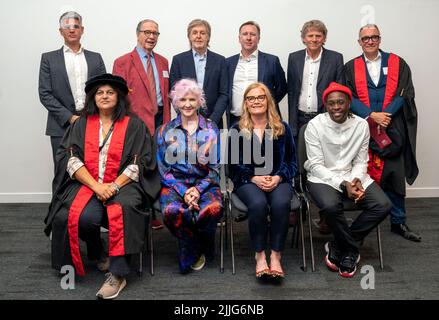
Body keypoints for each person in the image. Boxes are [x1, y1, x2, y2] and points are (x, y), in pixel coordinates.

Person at [44, 73, 160, 299]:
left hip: (124, 183)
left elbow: (141, 160)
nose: (105, 96)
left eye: (110, 92)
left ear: (119, 97)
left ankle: (118, 273)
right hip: (88, 182)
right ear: (92, 98)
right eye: (100, 92)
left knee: (124, 208)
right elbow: (70, 158)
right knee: (83, 217)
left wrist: (114, 186)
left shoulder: (134, 125)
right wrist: (97, 186)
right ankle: (98, 253)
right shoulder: (81, 124)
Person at [304, 82, 392, 278]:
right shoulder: (315, 125)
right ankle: (351, 250)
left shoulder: (361, 125)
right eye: (331, 103)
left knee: (383, 205)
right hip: (322, 177)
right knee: (330, 206)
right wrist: (343, 185)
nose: (336, 107)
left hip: (353, 176)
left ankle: (337, 244)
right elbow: (316, 165)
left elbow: (362, 161)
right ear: (326, 105)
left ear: (349, 103)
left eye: (340, 102)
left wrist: (356, 180)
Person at [344, 24, 420, 242]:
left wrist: (385, 115)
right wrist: (371, 115)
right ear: (359, 41)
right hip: (363, 128)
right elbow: (348, 96)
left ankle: (399, 221)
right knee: (361, 172)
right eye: (365, 38)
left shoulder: (397, 63)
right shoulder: (351, 67)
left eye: (374, 37)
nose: (370, 41)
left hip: (393, 127)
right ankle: (368, 218)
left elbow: (404, 93)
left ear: (380, 39)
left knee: (395, 175)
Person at [228, 82, 297, 280]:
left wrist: (277, 177)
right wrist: (253, 177)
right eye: (251, 98)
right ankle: (259, 256)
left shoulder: (282, 128)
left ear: (268, 101)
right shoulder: (236, 129)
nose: (256, 101)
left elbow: (292, 162)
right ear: (246, 104)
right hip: (247, 181)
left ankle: (276, 255)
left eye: (261, 97)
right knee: (258, 204)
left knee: (281, 203)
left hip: (278, 179)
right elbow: (232, 166)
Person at [156, 79, 223, 274]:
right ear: (176, 102)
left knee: (212, 208)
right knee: (171, 210)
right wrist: (185, 192)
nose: (187, 104)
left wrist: (198, 189)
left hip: (206, 184)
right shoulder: (165, 130)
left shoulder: (211, 129)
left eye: (192, 99)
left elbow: (215, 167)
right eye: (183, 99)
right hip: (175, 185)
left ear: (199, 102)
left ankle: (201, 244)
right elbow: (164, 170)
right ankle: (192, 247)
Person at [287, 19, 344, 233]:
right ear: (303, 38)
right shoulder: (293, 58)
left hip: (324, 119)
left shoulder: (335, 58)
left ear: (324, 38)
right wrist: (291, 122)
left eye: (318, 36)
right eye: (310, 35)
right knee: (297, 164)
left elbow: (338, 90)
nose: (314, 39)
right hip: (299, 117)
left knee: (324, 164)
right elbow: (292, 91)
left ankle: (325, 213)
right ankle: (297, 209)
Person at [113, 19, 171, 230]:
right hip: (135, 124)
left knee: (158, 166)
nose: (151, 36)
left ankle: (155, 212)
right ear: (137, 34)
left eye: (155, 33)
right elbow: (118, 97)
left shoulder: (164, 62)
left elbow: (166, 95)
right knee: (138, 167)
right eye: (147, 32)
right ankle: (139, 211)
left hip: (160, 121)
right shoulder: (123, 62)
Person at [39, 11, 106, 166]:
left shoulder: (95, 58)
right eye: (67, 26)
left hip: (92, 121)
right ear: (60, 31)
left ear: (82, 30)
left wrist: (93, 115)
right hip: (60, 125)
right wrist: (70, 117)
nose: (71, 29)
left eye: (76, 26)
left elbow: (103, 90)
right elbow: (44, 93)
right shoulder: (48, 59)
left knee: (92, 168)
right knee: (63, 170)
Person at [170, 19, 228, 128]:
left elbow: (224, 94)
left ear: (208, 37)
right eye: (194, 32)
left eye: (202, 33)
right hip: (185, 121)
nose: (198, 36)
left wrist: (213, 120)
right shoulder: (178, 60)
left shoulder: (220, 61)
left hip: (213, 122)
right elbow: (174, 93)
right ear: (189, 37)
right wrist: (185, 115)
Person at [226, 21, 287, 127]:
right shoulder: (228, 63)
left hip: (265, 120)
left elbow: (282, 88)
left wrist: (267, 105)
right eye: (245, 34)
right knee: (236, 144)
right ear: (239, 38)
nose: (248, 38)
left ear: (258, 38)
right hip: (236, 120)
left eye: (253, 34)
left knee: (266, 144)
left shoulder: (272, 61)